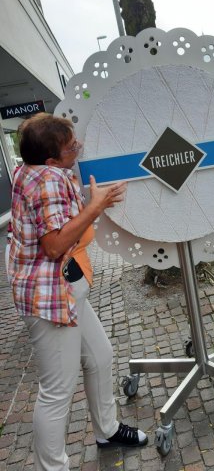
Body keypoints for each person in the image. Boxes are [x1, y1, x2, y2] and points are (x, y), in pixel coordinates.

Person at [8, 113, 148, 471]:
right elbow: (54, 245)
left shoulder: (37, 170)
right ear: (52, 159)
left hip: (65, 290)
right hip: (50, 297)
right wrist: (96, 206)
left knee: (100, 356)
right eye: (72, 146)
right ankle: (53, 467)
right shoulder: (48, 181)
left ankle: (107, 430)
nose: (79, 147)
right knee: (57, 390)